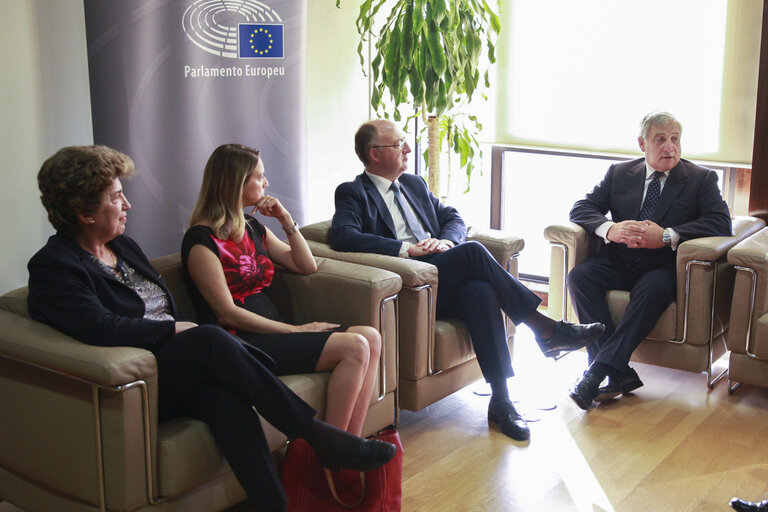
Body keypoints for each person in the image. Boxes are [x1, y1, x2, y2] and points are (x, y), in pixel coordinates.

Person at [26, 145, 396, 512]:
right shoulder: (54, 266)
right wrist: (170, 331)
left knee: (227, 402)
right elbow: (98, 327)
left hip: (180, 366)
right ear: (85, 212)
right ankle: (319, 437)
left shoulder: (123, 247)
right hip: (142, 377)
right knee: (208, 336)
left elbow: (305, 265)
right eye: (117, 197)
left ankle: (273, 505)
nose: (128, 206)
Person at [330, 119, 605, 442]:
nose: (407, 148)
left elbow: (453, 218)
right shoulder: (353, 192)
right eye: (398, 144)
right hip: (410, 286)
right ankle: (545, 329)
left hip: (443, 273)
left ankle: (501, 400)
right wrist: (408, 249)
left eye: (405, 141)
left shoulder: (414, 184)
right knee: (473, 252)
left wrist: (445, 242)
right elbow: (343, 236)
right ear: (374, 154)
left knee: (481, 292)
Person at [182, 143, 382, 437]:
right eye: (259, 177)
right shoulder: (201, 241)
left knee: (371, 336)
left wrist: (286, 220)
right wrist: (296, 330)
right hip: (239, 345)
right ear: (236, 182)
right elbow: (227, 314)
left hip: (271, 333)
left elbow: (305, 265)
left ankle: (349, 445)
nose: (266, 183)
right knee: (355, 346)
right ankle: (331, 449)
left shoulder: (250, 226)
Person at [567, 111, 732, 409]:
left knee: (653, 289)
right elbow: (581, 208)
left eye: (675, 139)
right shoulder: (619, 173)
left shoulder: (700, 179)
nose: (670, 147)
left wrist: (668, 235)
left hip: (661, 266)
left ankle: (594, 374)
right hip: (619, 259)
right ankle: (618, 372)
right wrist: (611, 229)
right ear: (642, 144)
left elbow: (721, 222)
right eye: (661, 140)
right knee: (579, 276)